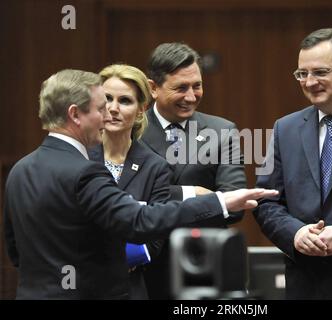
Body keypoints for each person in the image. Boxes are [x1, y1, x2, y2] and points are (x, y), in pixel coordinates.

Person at [2, 69, 277, 299]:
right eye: (100, 107)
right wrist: (220, 200)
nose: (106, 115)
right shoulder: (84, 172)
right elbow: (140, 220)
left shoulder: (20, 170)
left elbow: (15, 251)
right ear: (75, 114)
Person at [253, 28, 332, 299]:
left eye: (320, 72)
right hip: (305, 285)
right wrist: (295, 233)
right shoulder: (286, 128)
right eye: (302, 74)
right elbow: (266, 202)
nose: (309, 82)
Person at [141, 42, 247, 299]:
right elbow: (122, 200)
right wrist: (189, 194)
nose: (191, 96)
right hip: (145, 272)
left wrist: (154, 205)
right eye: (180, 88)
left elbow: (234, 204)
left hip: (205, 269)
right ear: (153, 88)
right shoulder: (132, 133)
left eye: (196, 86)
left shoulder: (223, 132)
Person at [88, 64, 170, 299]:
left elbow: (152, 241)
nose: (113, 109)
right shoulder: (78, 157)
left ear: (142, 109)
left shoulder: (155, 167)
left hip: (128, 288)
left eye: (124, 101)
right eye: (107, 99)